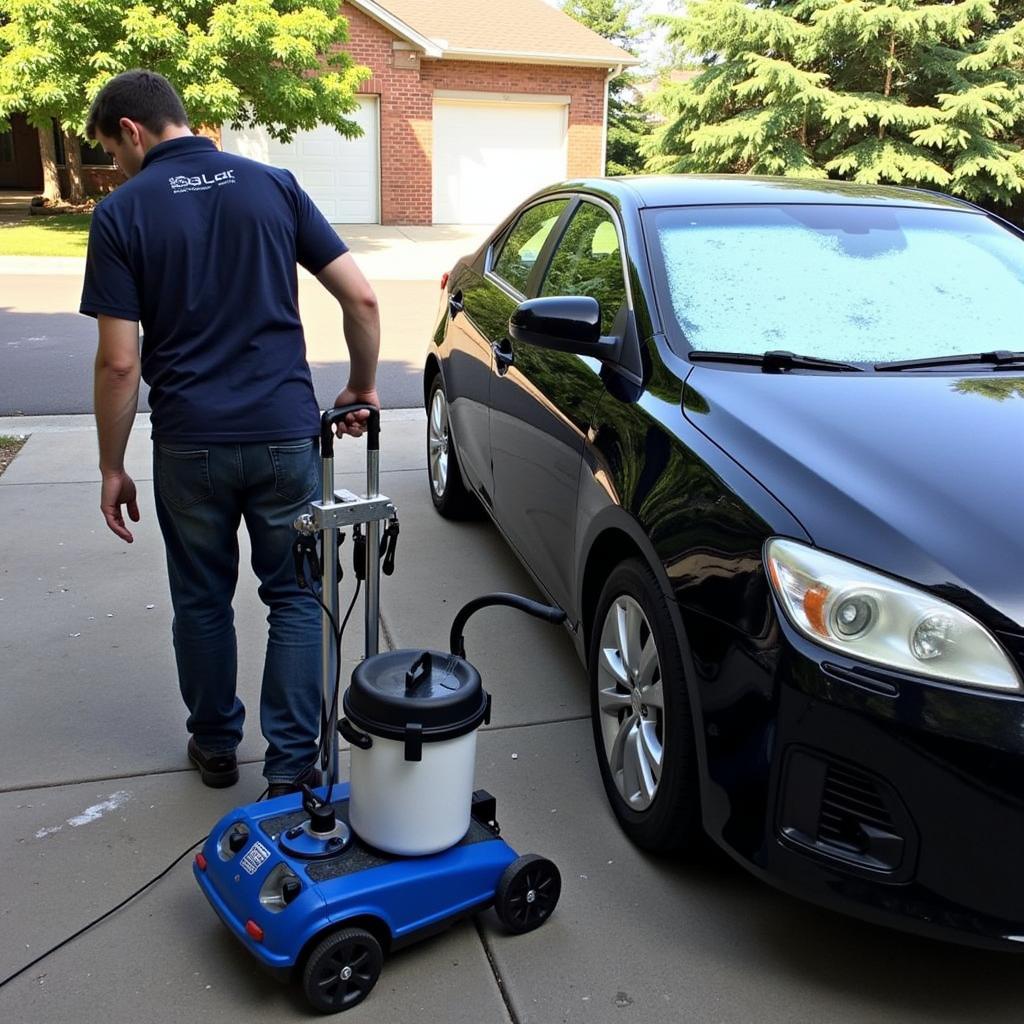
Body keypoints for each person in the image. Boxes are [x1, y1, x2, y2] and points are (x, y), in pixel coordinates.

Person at [80, 69, 380, 798]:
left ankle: (215, 746)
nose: (115, 167)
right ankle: (288, 772)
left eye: (110, 151)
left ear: (131, 130)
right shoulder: (273, 184)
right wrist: (363, 384)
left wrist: (111, 466)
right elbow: (362, 297)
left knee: (202, 599)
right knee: (298, 596)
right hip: (282, 435)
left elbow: (121, 364)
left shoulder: (121, 214)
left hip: (190, 445)